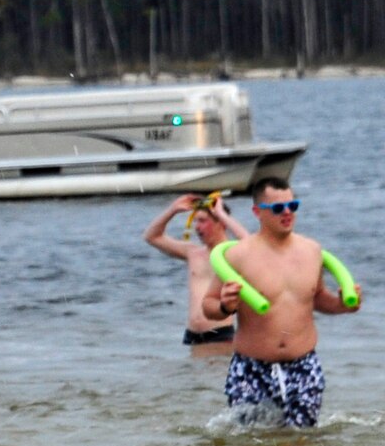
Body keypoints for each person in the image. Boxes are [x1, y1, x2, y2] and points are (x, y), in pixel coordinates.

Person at [204, 177, 361, 428]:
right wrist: (224, 306)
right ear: (257, 212)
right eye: (277, 208)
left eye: (293, 206)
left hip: (303, 365)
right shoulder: (239, 255)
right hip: (252, 367)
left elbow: (317, 298)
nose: (287, 213)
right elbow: (208, 306)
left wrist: (343, 305)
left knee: (301, 442)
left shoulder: (312, 251)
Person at [142, 193, 248, 351]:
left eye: (203, 221)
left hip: (219, 335)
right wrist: (172, 210)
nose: (197, 227)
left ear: (221, 223)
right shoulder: (192, 252)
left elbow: (252, 244)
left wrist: (221, 214)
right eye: (196, 221)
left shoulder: (232, 253)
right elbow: (151, 237)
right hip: (192, 335)